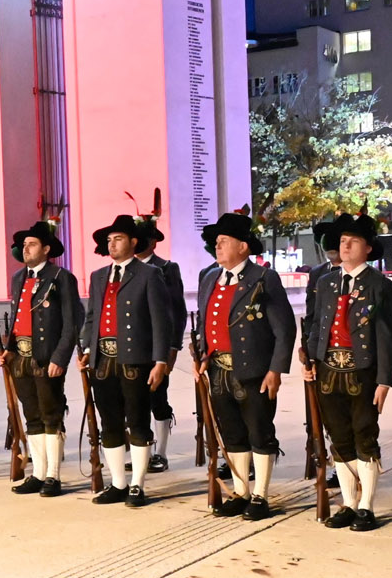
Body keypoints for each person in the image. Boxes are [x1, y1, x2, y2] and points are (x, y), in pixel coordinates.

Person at [301, 208, 392, 531]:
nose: (345, 246)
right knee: (339, 439)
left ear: (368, 247)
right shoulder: (326, 282)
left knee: (364, 437)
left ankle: (367, 505)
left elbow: (387, 337)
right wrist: (310, 361)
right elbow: (317, 325)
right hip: (328, 370)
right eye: (342, 241)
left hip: (363, 371)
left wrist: (385, 380)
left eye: (353, 241)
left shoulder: (380, 286)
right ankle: (348, 501)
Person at [195, 207, 297, 518]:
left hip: (254, 372)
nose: (217, 246)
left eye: (224, 240)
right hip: (218, 371)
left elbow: (285, 328)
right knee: (233, 434)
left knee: (259, 432)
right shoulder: (209, 277)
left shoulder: (264, 278)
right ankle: (241, 492)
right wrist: (202, 354)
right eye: (217, 241)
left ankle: (261, 496)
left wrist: (276, 370)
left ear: (243, 246)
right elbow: (204, 322)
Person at [81, 214, 174, 507]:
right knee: (109, 421)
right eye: (109, 240)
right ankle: (118, 483)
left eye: (118, 238)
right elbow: (92, 317)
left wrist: (161, 360)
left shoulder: (149, 275)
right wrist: (86, 348)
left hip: (136, 359)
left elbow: (162, 321)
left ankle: (137, 484)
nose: (111, 244)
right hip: (103, 359)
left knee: (137, 420)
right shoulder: (98, 276)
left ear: (133, 242)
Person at [4, 217, 84, 496]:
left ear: (46, 249)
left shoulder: (62, 278)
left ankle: (53, 475)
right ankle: (37, 472)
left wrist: (60, 358)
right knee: (32, 416)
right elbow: (16, 319)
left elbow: (73, 322)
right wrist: (10, 350)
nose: (25, 249)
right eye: (24, 245)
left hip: (46, 357)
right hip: (21, 358)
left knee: (51, 415)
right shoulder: (18, 278)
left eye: (32, 244)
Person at [132, 206, 185, 472]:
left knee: (157, 399)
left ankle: (160, 453)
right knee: (133, 401)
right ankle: (141, 448)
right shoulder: (124, 269)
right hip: (132, 348)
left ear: (152, 242)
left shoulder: (166, 268)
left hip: (157, 348)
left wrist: (172, 347)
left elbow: (177, 311)